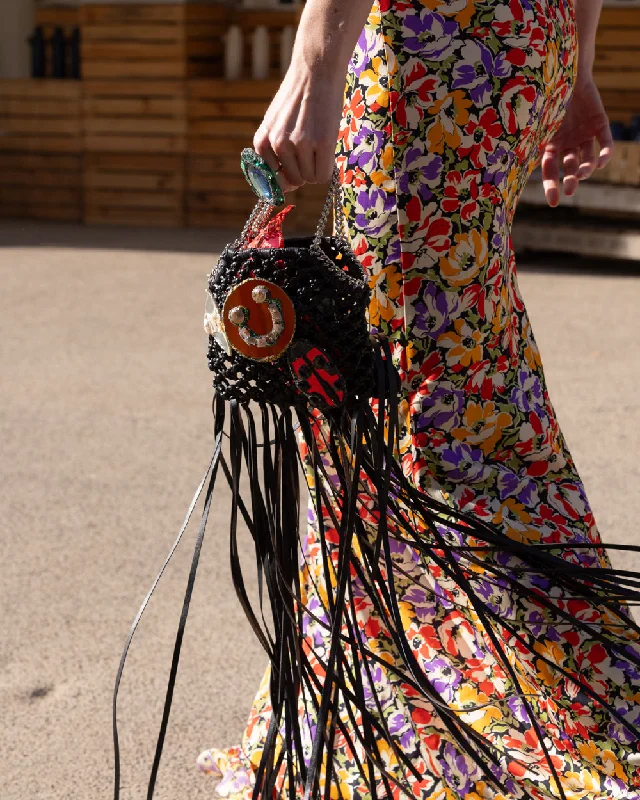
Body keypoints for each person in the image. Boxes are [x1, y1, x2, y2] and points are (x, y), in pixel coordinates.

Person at [198, 1, 639, 798]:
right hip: (516, 47)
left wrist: (315, 61)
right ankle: (547, 670)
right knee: (466, 370)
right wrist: (573, 65)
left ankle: (422, 706)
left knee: (395, 380)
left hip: (434, 48)